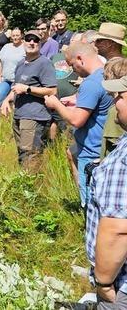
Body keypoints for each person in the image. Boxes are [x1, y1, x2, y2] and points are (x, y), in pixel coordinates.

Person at [45, 42, 113, 207]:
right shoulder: (107, 75)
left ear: (80, 59)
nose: (71, 69)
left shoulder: (90, 83)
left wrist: (56, 104)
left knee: (91, 205)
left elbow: (76, 120)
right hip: (105, 148)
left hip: (91, 153)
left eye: (71, 64)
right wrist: (76, 100)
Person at [84, 72, 127, 309]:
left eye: (119, 96)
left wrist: (104, 282)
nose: (113, 102)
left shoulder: (124, 162)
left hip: (121, 285)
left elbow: (118, 230)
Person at [0, 30, 57, 166]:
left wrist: (28, 89)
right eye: (29, 39)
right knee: (22, 153)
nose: (32, 42)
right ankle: (23, 183)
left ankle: (32, 186)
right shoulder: (21, 63)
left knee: (31, 155)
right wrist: (6, 100)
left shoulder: (44, 63)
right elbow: (16, 86)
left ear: (40, 43)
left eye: (36, 40)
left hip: (35, 116)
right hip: (19, 115)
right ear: (23, 42)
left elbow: (52, 90)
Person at [92, 23, 127, 157]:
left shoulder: (118, 67)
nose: (95, 43)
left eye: (100, 40)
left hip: (116, 133)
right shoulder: (112, 64)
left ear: (111, 44)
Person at [0, 28, 25, 108]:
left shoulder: (25, 47)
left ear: (22, 36)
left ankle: (12, 118)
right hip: (5, 79)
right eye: (13, 36)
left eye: (17, 35)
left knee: (15, 101)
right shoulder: (6, 46)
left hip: (18, 81)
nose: (15, 37)